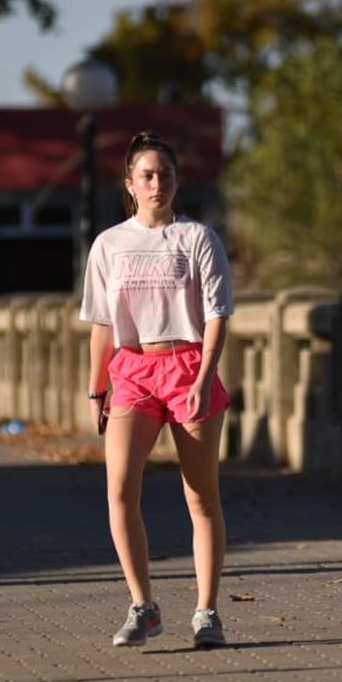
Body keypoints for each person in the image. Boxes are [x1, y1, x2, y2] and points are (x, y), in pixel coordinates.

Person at [80, 131, 235, 650]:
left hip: (188, 362)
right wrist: (95, 388)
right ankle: (142, 606)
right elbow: (102, 322)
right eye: (147, 175)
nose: (157, 183)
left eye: (165, 174)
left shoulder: (198, 239)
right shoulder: (110, 244)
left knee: (200, 495)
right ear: (130, 184)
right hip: (133, 369)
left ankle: (207, 612)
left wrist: (202, 376)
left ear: (176, 181)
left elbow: (217, 315)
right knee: (119, 489)